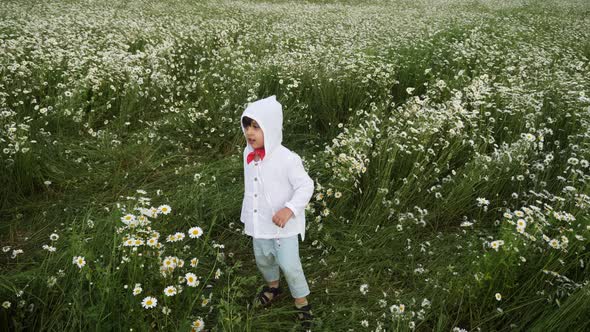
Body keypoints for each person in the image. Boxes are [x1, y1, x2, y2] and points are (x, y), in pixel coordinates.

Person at [240, 95, 315, 329]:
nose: (249, 132)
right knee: (264, 259)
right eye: (246, 125)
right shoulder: (247, 153)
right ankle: (273, 286)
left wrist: (289, 209)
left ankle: (301, 301)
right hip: (259, 222)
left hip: (284, 225)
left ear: (270, 129)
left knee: (289, 263)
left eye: (256, 127)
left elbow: (306, 186)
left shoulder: (288, 159)